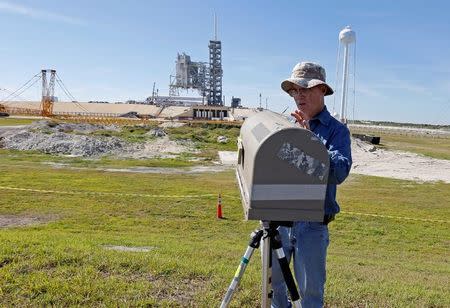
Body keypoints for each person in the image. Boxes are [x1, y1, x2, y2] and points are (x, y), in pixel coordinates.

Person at [271, 62, 352, 308]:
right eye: (295, 90)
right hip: (282, 219)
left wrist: (310, 142)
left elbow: (339, 171)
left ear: (322, 91)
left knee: (311, 294)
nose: (299, 95)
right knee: (276, 286)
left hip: (313, 225)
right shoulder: (287, 124)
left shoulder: (337, 131)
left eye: (305, 89)